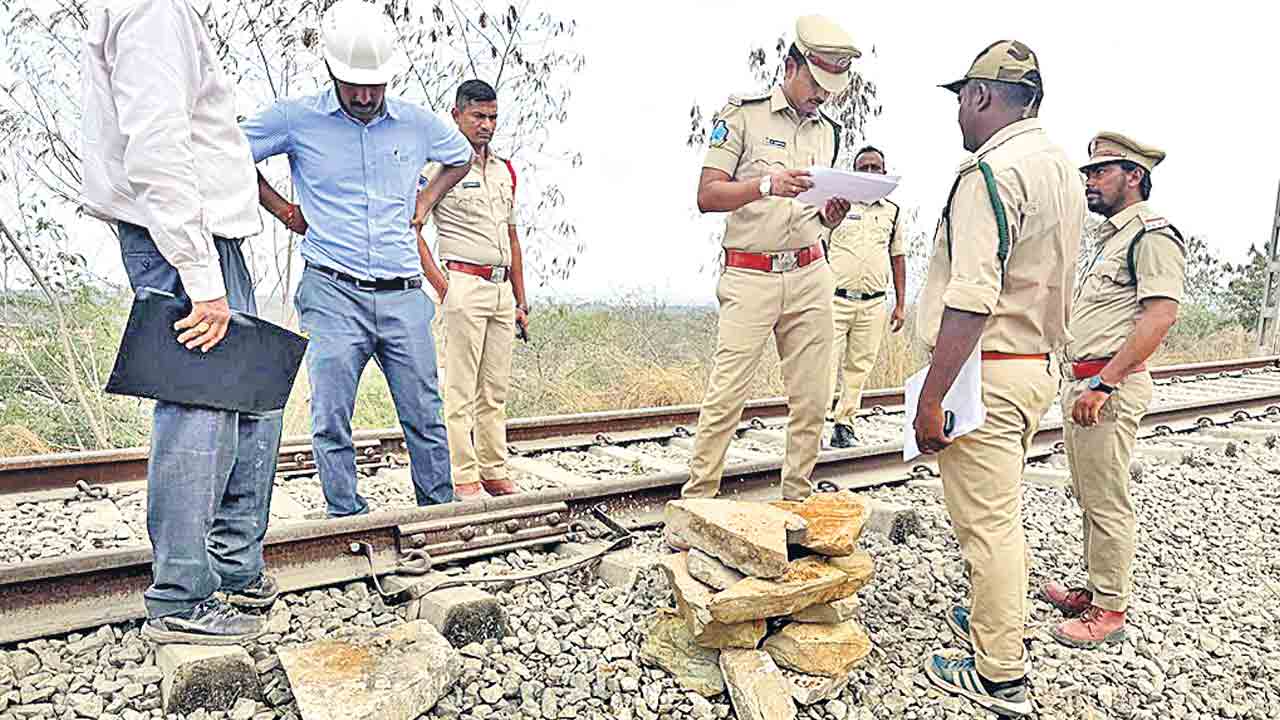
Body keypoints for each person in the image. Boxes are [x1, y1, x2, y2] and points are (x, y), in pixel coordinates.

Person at [82, 0, 283, 644]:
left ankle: (232, 571)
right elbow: (157, 147)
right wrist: (202, 278)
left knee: (252, 403)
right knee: (200, 408)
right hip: (183, 242)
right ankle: (182, 598)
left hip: (205, 236)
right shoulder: (154, 11)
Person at [241, 0, 473, 517]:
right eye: (354, 86)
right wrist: (283, 210)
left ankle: (437, 512)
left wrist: (425, 200)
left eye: (376, 85)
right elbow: (228, 151)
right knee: (331, 413)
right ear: (330, 72)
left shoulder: (416, 124)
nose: (366, 96)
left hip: (403, 293)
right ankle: (345, 512)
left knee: (424, 411)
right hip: (332, 288)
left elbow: (458, 156)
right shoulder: (295, 118)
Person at [913, 41, 1084, 716]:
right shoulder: (1061, 168)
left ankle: (999, 673)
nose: (958, 109)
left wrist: (932, 399)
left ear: (982, 97)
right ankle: (994, 619)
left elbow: (972, 295)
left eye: (961, 95)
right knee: (999, 513)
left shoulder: (988, 171)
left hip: (988, 371)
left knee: (987, 525)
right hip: (1032, 367)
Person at [675, 15, 858, 515]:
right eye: (818, 83)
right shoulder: (741, 116)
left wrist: (832, 216)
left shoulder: (830, 132)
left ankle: (796, 500)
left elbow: (816, 213)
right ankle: (697, 501)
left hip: (809, 271)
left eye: (832, 89)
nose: (824, 96)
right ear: (791, 65)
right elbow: (707, 196)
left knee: (813, 396)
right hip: (750, 274)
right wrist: (765, 185)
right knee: (727, 393)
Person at [1044, 133, 1183, 648]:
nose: (1089, 180)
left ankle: (1109, 611)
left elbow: (1160, 316)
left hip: (1108, 386)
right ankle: (1097, 589)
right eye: (1089, 172)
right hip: (1087, 381)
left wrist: (1105, 383)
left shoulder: (1152, 234)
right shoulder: (1114, 238)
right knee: (1089, 494)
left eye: (1101, 171)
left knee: (1106, 501)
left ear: (1134, 176)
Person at [415, 79, 529, 501]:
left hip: (501, 291)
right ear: (457, 115)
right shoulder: (438, 167)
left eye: (493, 117)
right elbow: (414, 229)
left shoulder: (504, 171)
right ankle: (464, 476)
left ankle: (494, 469)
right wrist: (444, 287)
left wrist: (521, 300)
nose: (487, 125)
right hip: (463, 283)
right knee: (460, 388)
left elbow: (514, 238)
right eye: (478, 116)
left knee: (494, 389)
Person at [826, 145, 907, 448]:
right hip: (834, 299)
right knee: (825, 363)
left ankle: (844, 423)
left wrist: (900, 304)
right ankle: (814, 422)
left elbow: (897, 256)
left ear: (884, 173)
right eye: (864, 168)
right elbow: (818, 246)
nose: (871, 173)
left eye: (876, 168)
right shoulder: (836, 206)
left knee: (859, 366)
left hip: (873, 303)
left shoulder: (893, 212)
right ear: (854, 172)